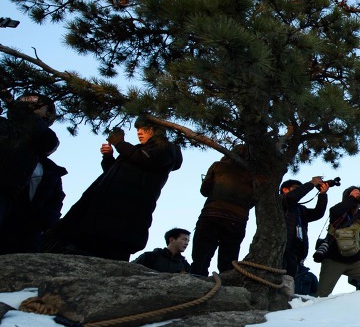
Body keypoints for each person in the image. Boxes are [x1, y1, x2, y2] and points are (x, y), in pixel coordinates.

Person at [49, 116, 183, 260]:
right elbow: (114, 175)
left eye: (144, 129)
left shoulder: (166, 149)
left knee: (112, 253)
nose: (139, 132)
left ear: (156, 130)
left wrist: (120, 143)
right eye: (138, 129)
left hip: (127, 214)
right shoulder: (137, 151)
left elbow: (146, 159)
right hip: (103, 214)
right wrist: (108, 157)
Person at [190, 145, 255, 276]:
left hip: (211, 214)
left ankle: (197, 280)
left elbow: (204, 190)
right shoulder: (254, 174)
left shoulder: (218, 166)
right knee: (228, 259)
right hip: (238, 220)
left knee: (202, 254)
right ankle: (226, 285)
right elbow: (253, 201)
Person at [0, 93, 60, 232]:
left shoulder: (45, 136)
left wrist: (15, 107)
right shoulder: (4, 124)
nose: (29, 108)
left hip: (5, 191)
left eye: (37, 107)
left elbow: (46, 141)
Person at [314, 186, 360, 296]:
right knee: (322, 294)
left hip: (354, 260)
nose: (358, 197)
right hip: (333, 259)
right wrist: (351, 198)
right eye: (356, 195)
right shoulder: (339, 213)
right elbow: (334, 211)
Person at [280, 177, 328, 278]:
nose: (299, 190)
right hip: (281, 249)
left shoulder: (300, 210)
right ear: (285, 190)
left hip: (296, 252)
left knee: (289, 282)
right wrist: (311, 183)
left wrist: (322, 195)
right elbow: (292, 197)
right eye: (296, 188)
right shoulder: (280, 202)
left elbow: (318, 213)